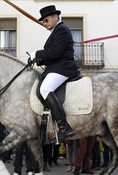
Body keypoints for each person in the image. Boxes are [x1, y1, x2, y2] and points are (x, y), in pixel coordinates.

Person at [29, 5, 80, 142]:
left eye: (46, 20)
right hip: (56, 67)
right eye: (43, 22)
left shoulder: (61, 30)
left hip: (63, 67)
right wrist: (37, 59)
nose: (44, 24)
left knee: (45, 88)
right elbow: (52, 54)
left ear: (55, 17)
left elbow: (55, 53)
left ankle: (65, 128)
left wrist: (37, 54)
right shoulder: (57, 31)